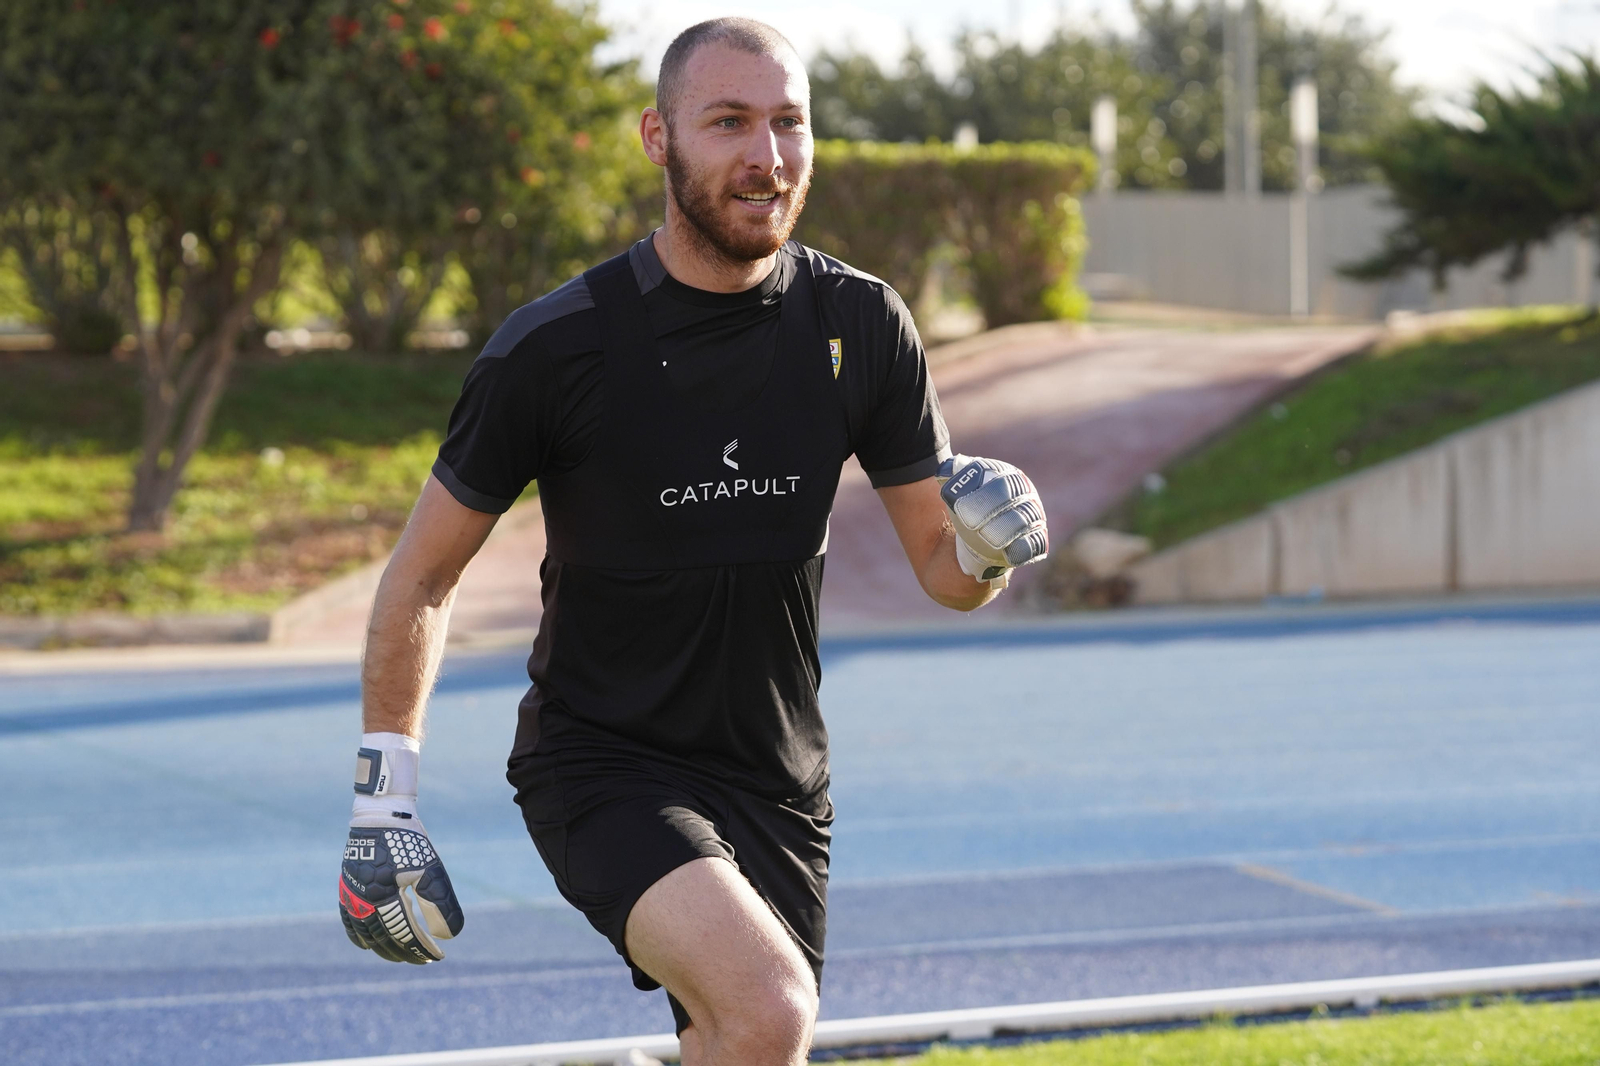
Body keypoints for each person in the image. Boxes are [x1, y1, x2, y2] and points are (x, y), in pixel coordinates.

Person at [336, 17, 1049, 1066]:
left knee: (746, 1041)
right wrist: (380, 799)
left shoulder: (861, 325)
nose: (765, 156)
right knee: (768, 1007)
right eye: (728, 123)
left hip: (780, 781)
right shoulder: (555, 347)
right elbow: (424, 578)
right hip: (603, 762)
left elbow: (944, 577)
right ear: (657, 139)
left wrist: (987, 549)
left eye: (788, 124)